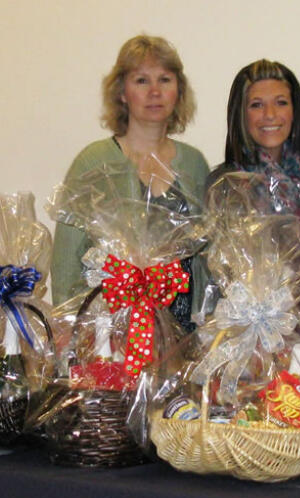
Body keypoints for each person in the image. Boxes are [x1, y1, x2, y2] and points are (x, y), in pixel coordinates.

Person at [50, 35, 210, 328]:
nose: (155, 92)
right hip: (110, 336)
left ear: (178, 91)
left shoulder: (195, 164)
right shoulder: (93, 162)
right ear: (122, 92)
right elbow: (65, 262)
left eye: (165, 79)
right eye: (141, 81)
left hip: (185, 337)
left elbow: (209, 259)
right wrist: (69, 330)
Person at [208, 59, 300, 184]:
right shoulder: (224, 185)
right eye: (257, 105)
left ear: (295, 111)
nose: (270, 114)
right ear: (241, 115)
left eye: (281, 103)